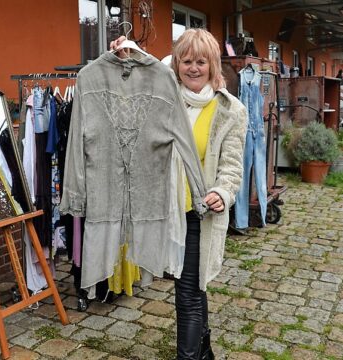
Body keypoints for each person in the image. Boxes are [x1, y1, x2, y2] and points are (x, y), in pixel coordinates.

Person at [111, 29, 247, 359]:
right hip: (169, 209)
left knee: (187, 292)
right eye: (187, 61)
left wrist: (222, 192)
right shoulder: (165, 95)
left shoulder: (230, 111)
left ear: (213, 64)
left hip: (201, 213)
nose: (193, 68)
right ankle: (205, 350)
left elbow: (231, 167)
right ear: (178, 64)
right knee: (191, 286)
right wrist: (123, 58)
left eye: (201, 61)